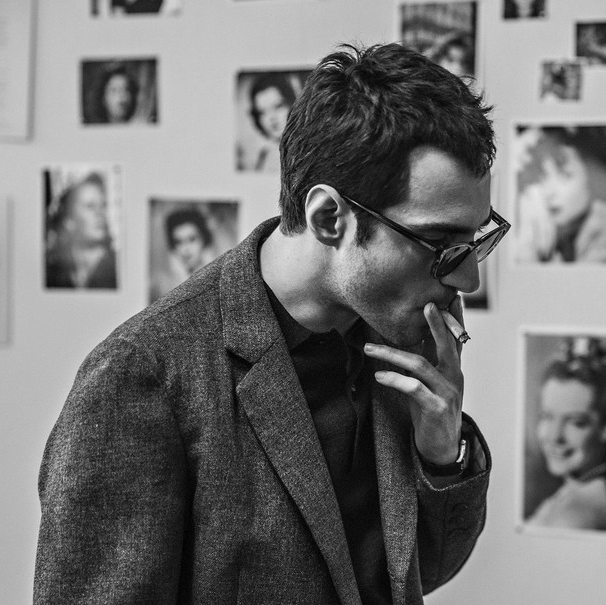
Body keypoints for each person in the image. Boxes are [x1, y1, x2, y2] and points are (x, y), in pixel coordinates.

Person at [35, 43, 509, 603]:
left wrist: (442, 456)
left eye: (476, 240)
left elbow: (420, 573)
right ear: (329, 218)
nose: (468, 280)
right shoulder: (140, 376)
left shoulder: (395, 337)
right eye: (439, 242)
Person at [527, 340, 606, 532]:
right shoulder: (589, 491)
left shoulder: (575, 515)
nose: (555, 436)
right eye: (547, 417)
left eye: (576, 422)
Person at [514, 126, 606, 263]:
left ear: (590, 174)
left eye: (565, 175)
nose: (549, 192)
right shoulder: (553, 233)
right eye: (542, 177)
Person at [45, 172, 117, 289]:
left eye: (103, 206)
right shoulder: (53, 274)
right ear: (68, 220)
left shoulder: (117, 269)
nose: (100, 213)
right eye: (90, 206)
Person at [150, 207, 217, 302]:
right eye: (179, 242)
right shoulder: (164, 284)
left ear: (204, 240)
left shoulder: (216, 276)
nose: (186, 249)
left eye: (192, 239)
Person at [240, 72, 296, 171]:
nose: (272, 118)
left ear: (291, 103)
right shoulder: (262, 159)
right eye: (262, 112)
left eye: (278, 106)